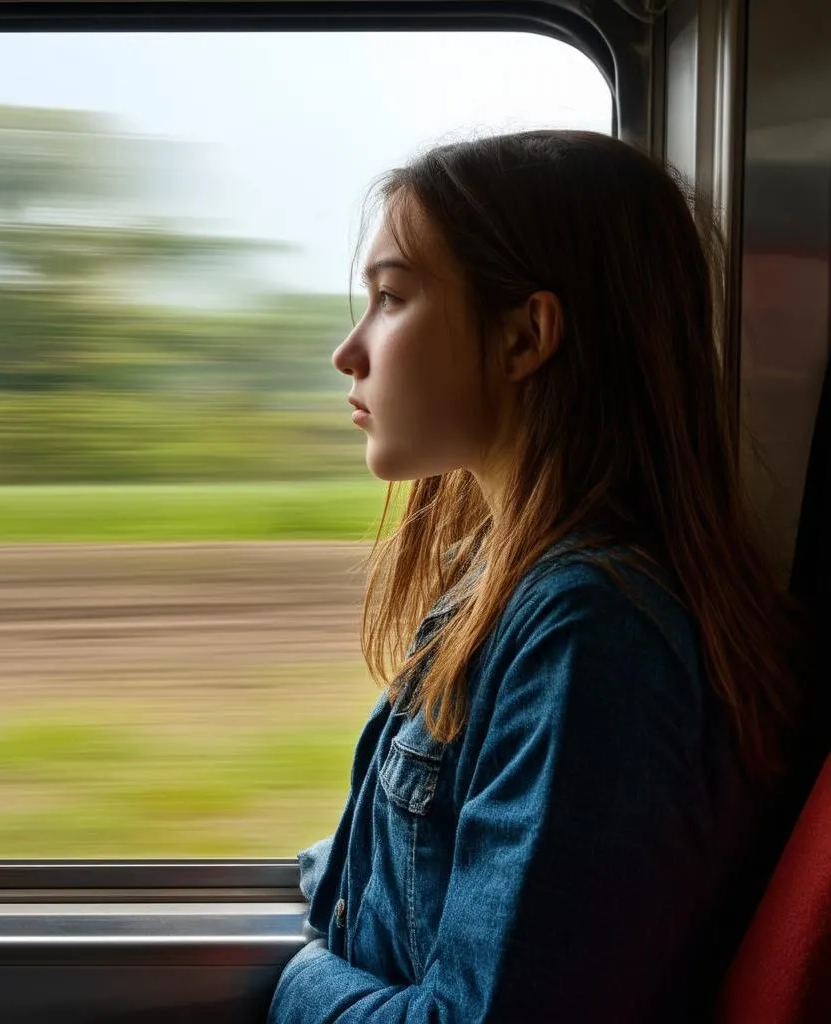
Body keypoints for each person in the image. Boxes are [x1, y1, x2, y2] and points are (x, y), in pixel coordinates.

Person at [266, 131, 803, 1023]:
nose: (349, 352)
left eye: (392, 297)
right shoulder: (501, 587)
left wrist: (299, 984)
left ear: (525, 337)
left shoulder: (590, 637)